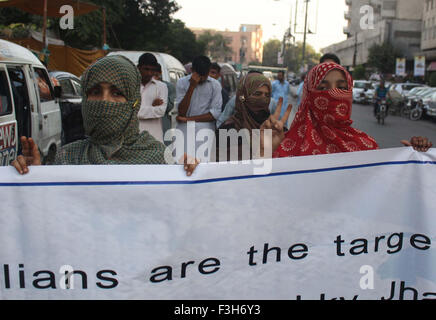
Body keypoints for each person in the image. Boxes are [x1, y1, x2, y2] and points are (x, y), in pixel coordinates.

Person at [11, 55, 198, 176]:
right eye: (95, 92)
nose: (104, 101)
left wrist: (193, 173)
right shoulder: (67, 157)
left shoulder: (158, 157)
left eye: (117, 93)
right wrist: (33, 176)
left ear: (134, 102)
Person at [257, 62, 432, 158]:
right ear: (309, 95)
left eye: (341, 87)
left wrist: (415, 158)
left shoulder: (367, 147)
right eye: (323, 87)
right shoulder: (286, 145)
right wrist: (266, 152)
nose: (333, 93)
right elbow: (259, 198)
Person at [214, 72, 291, 161]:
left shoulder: (274, 130)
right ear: (243, 96)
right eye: (257, 94)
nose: (263, 99)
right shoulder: (227, 130)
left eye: (267, 95)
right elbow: (220, 169)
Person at [175, 55, 222, 162]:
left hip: (205, 132)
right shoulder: (181, 82)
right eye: (199, 75)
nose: (201, 78)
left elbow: (214, 114)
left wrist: (188, 119)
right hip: (184, 131)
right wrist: (192, 86)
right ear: (192, 70)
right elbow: (181, 112)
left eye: (204, 75)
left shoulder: (215, 85)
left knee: (202, 165)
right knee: (180, 163)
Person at [137, 53, 168, 143]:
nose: (149, 73)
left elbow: (161, 111)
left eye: (152, 70)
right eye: (146, 69)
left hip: (155, 139)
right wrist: (152, 107)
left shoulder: (162, 87)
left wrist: (136, 110)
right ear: (138, 67)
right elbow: (126, 111)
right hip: (133, 139)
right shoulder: (131, 85)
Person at [154, 63, 176, 146]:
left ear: (160, 73)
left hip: (163, 123)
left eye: (156, 74)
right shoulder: (142, 86)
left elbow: (168, 106)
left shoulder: (168, 87)